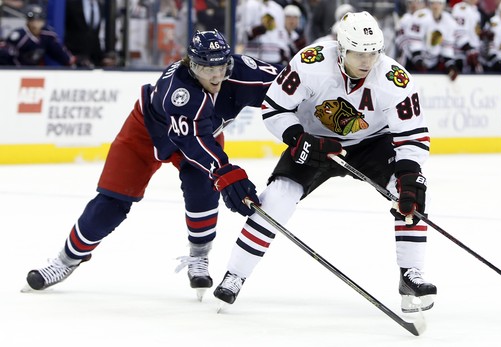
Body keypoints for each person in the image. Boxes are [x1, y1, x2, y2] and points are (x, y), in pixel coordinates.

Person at [24, 30, 282, 299]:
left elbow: (290, 82)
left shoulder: (243, 71)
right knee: (112, 202)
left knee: (203, 190)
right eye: (206, 68)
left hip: (200, 134)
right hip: (146, 132)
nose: (216, 76)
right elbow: (193, 142)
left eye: (221, 66)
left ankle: (199, 256)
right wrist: (225, 171)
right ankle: (65, 260)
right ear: (191, 66)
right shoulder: (179, 91)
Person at [213, 11, 436, 314]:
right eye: (359, 53)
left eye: (373, 53)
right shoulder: (310, 63)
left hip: (370, 143)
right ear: (341, 48)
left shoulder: (394, 79)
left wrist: (409, 174)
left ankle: (411, 275)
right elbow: (274, 109)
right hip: (313, 142)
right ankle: (235, 274)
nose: (367, 61)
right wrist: (298, 139)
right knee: (279, 197)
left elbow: (411, 135)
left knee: (410, 192)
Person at [0, 4, 75, 66]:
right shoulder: (18, 35)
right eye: (33, 19)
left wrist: (70, 61)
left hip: (34, 71)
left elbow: (58, 52)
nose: (36, 23)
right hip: (15, 71)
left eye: (39, 19)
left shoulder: (47, 34)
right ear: (28, 21)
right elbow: (5, 55)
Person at [406, 0, 459, 81]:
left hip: (434, 61)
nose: (435, 6)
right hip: (415, 60)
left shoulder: (449, 21)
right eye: (433, 3)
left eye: (439, 3)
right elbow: (414, 42)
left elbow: (447, 47)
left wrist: (450, 65)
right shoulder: (420, 17)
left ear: (444, 5)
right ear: (429, 5)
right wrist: (418, 60)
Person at [64, 0, 116, 67]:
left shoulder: (100, 6)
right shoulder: (71, 3)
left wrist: (101, 58)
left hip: (93, 62)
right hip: (75, 59)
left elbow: (94, 36)